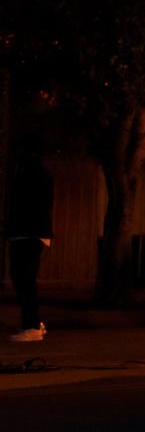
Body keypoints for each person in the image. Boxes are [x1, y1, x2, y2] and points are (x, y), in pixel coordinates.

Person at [4, 135, 53, 342]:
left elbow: (27, 203)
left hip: (29, 232)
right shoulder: (30, 170)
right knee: (22, 278)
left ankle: (32, 325)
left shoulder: (32, 171)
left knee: (24, 278)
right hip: (27, 231)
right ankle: (33, 323)